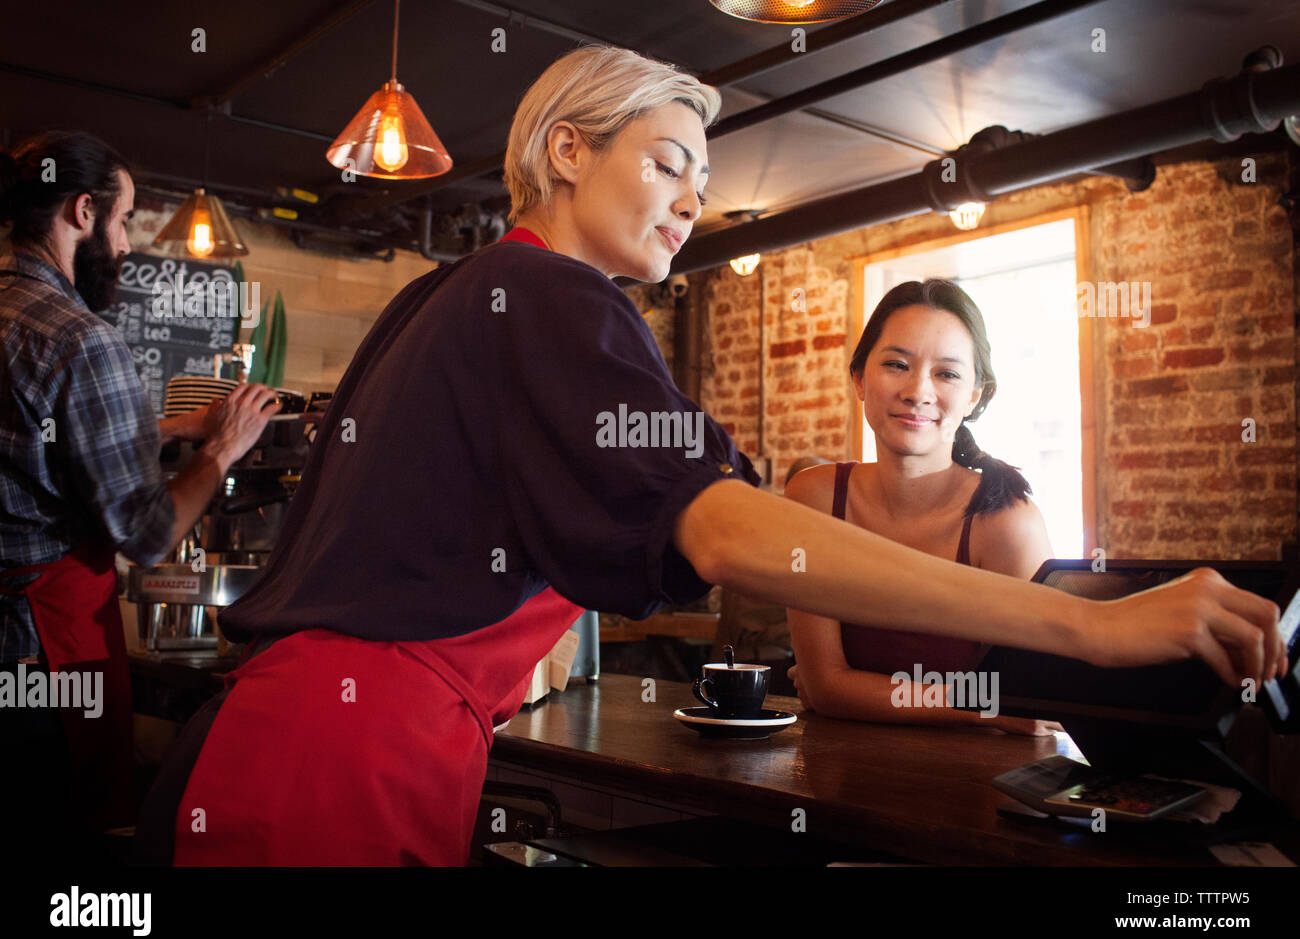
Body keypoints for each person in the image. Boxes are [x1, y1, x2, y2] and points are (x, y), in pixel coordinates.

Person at [134, 45, 1284, 867]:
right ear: (567, 149)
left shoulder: (452, 294)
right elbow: (723, 526)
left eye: (703, 175)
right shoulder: (553, 294)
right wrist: (1092, 623)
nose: (694, 199)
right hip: (348, 764)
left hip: (277, 737)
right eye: (670, 160)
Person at [0, 130, 279, 854]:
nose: (125, 246)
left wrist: (167, 425)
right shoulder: (82, 340)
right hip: (42, 661)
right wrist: (221, 447)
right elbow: (148, 532)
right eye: (123, 222)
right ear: (84, 211)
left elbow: (36, 442)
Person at [785, 279, 1062, 733]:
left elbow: (1033, 703)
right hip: (837, 780)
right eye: (897, 364)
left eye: (947, 373)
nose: (918, 390)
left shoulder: (1007, 521)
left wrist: (854, 691)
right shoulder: (813, 497)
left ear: (975, 395)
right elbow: (825, 686)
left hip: (979, 788)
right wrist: (983, 706)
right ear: (859, 378)